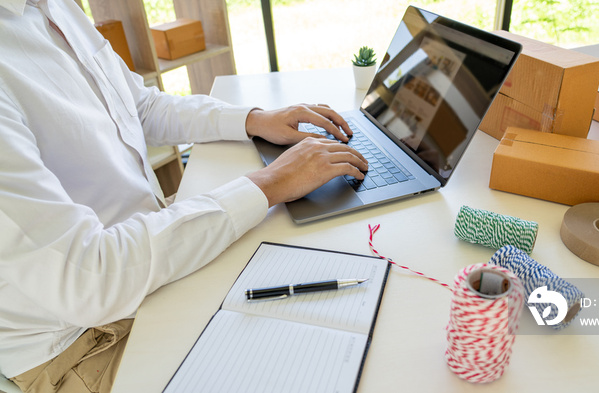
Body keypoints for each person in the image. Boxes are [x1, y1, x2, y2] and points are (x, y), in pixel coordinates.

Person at [0, 0, 368, 391]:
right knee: (302, 362)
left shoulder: (52, 7)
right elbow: (87, 279)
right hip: (83, 339)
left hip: (141, 261)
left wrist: (254, 120)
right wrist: (271, 182)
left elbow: (138, 107)